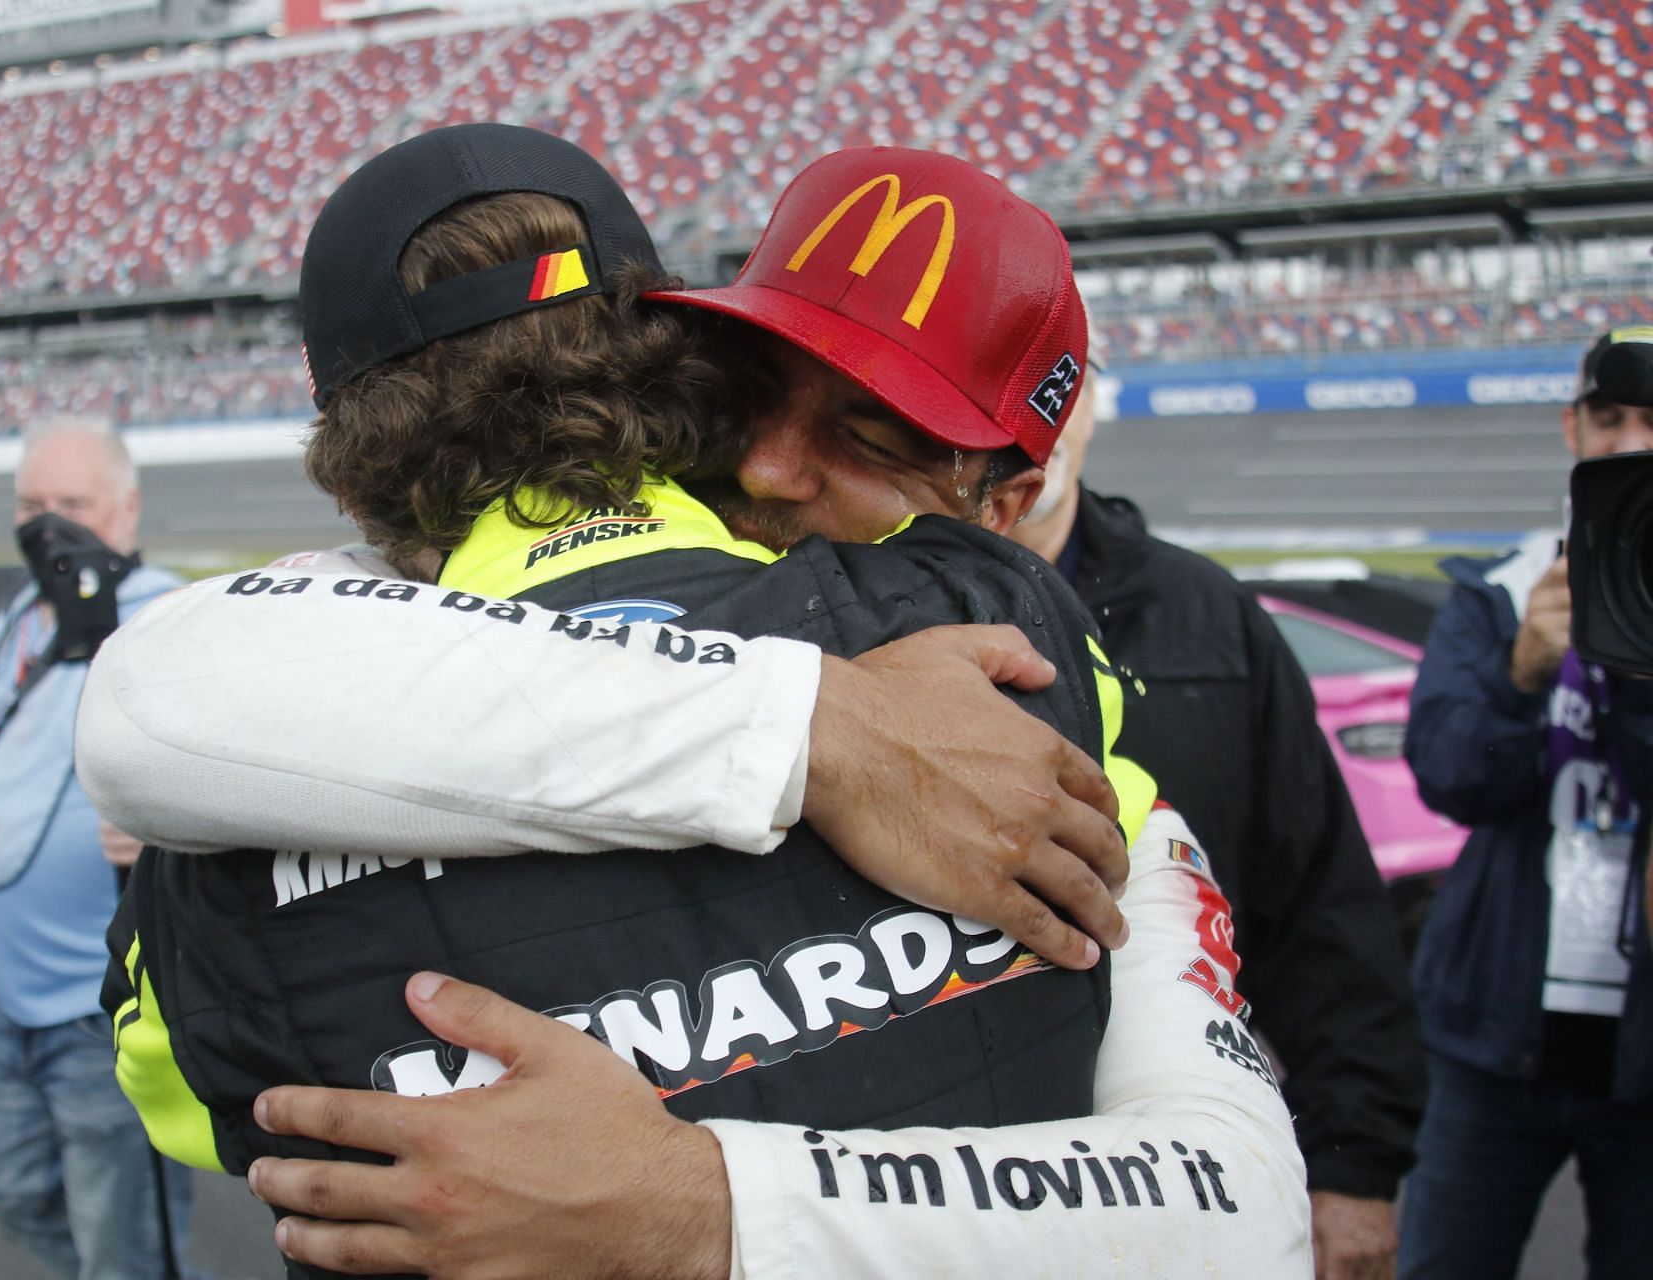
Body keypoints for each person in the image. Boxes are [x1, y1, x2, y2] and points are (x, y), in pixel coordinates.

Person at [81, 131, 1308, 1275]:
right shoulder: (1003, 637)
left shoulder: (233, 801)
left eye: (868, 431)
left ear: (347, 455)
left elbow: (184, 1095)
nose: (772, 464)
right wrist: (809, 721)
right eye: (757, 390)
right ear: (676, 368)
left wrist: (697, 1200)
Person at [1005, 353, 1424, 1280]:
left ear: (1097, 402)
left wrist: (1357, 1163)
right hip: (944, 1187)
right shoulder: (832, 599)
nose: (1036, 410)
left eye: (1064, 376)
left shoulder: (1211, 617)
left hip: (1180, 1186)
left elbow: (1321, 906)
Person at [0, 415, 192, 1279]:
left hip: (111, 1015)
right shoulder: (17, 621)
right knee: (10, 1196)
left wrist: (165, 822)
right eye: (30, 503)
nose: (46, 522)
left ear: (125, 510)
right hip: (7, 1007)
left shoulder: (168, 617)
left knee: (119, 1248)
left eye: (72, 503)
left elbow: (238, 783)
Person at [1395, 328, 1653, 1279]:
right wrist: (1521, 672)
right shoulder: (1503, 593)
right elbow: (1450, 775)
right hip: (1496, 1034)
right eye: (1610, 417)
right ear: (1572, 427)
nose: (1631, 444)